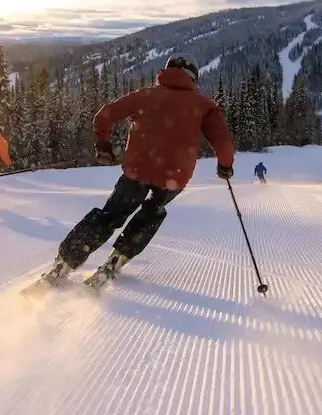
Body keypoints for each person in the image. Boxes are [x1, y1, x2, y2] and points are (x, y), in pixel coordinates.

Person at [39, 53, 234, 289]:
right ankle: (117, 259)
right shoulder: (205, 106)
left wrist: (103, 145)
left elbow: (104, 116)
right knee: (152, 212)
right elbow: (222, 140)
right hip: (174, 177)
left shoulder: (145, 96)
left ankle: (65, 263)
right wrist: (225, 166)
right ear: (193, 78)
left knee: (110, 215)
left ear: (166, 71)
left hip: (137, 171)